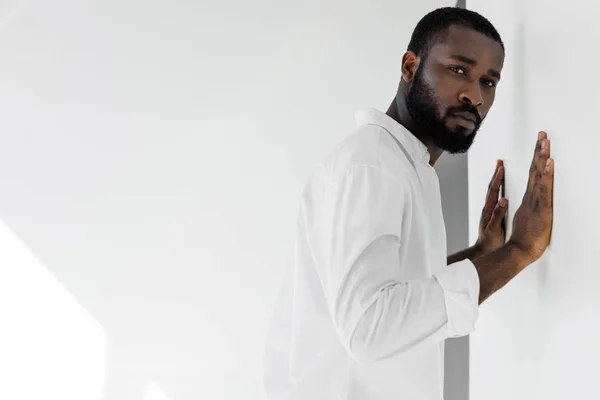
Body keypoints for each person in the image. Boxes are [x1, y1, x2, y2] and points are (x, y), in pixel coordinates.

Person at [263, 6, 554, 400]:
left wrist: (482, 254)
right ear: (409, 67)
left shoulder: (403, 166)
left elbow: (398, 292)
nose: (475, 95)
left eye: (489, 81)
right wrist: (520, 250)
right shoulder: (373, 165)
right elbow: (370, 329)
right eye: (458, 70)